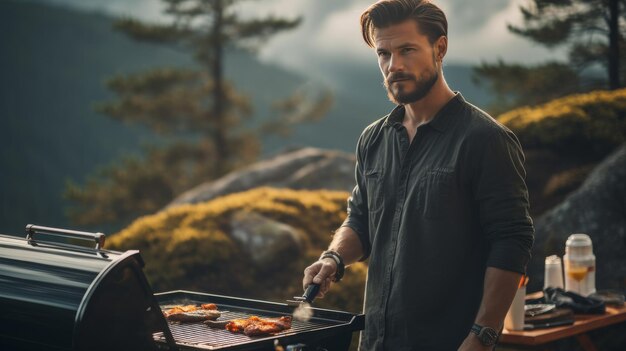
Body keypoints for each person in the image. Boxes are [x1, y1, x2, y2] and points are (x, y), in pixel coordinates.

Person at [302, 1, 535, 350]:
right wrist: (332, 258)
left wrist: (483, 335)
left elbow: (512, 241)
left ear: (439, 48)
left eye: (407, 50)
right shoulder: (374, 139)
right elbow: (361, 219)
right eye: (383, 54)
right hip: (377, 341)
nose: (393, 65)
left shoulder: (486, 140)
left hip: (451, 342)